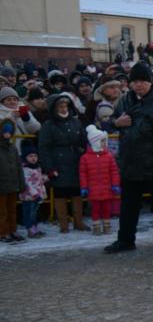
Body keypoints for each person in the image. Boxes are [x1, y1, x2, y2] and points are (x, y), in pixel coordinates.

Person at [104, 61, 153, 253]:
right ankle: (126, 240)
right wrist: (117, 122)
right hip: (131, 161)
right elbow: (108, 123)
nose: (138, 85)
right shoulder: (125, 100)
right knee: (128, 205)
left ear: (151, 83)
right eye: (135, 81)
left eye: (143, 81)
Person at [38, 93, 88, 233]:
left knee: (76, 192)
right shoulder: (48, 125)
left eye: (65, 105)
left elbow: (83, 140)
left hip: (75, 160)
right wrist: (49, 167)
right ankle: (64, 224)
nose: (63, 108)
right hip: (57, 162)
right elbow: (44, 148)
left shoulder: (76, 122)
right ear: (54, 108)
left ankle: (79, 222)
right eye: (60, 105)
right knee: (60, 193)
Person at [79, 125, 121, 236]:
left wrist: (115, 184)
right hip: (93, 190)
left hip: (107, 188)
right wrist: (84, 187)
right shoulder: (85, 158)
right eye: (102, 141)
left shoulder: (109, 156)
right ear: (95, 142)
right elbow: (83, 174)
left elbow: (114, 171)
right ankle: (96, 226)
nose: (105, 143)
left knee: (107, 208)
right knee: (95, 209)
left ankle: (107, 225)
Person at [0, 119, 26, 243]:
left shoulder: (13, 148)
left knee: (12, 209)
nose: (7, 133)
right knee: (2, 211)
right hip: (2, 185)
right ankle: (3, 232)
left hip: (13, 183)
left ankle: (12, 230)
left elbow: (18, 167)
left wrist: (22, 183)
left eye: (10, 131)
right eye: (5, 131)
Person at [18, 142, 46, 238]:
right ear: (25, 157)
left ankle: (35, 228)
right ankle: (30, 229)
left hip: (37, 195)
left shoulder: (37, 167)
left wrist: (45, 178)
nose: (33, 158)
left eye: (35, 156)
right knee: (29, 213)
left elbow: (39, 181)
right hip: (29, 196)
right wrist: (35, 194)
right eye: (30, 156)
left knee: (35, 213)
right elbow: (27, 183)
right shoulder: (25, 169)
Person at [0, 86, 41, 151]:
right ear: (2, 102)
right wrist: (11, 116)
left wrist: (27, 120)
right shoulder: (1, 114)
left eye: (14, 99)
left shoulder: (23, 108)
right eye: (9, 99)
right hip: (9, 147)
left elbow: (36, 129)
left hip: (26, 147)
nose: (12, 102)